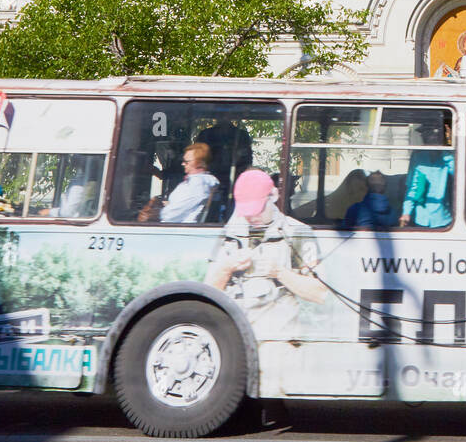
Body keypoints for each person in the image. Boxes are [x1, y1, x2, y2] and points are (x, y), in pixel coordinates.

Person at [206, 169, 326, 338]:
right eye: (247, 211)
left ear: (274, 196)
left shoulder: (297, 232)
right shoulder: (230, 234)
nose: (252, 216)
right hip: (236, 342)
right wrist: (225, 268)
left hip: (279, 342)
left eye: (257, 209)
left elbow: (320, 293)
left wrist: (280, 273)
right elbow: (207, 292)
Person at [138, 142, 218, 223]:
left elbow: (174, 214)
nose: (183, 164)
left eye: (187, 162)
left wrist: (155, 214)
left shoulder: (198, 184)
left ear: (200, 164)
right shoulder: (195, 182)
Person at [399, 151, 454, 229]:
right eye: (429, 137)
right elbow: (412, 186)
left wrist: (445, 151)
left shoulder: (447, 157)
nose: (433, 138)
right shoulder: (417, 156)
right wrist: (406, 212)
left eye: (437, 138)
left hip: (442, 217)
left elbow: (459, 175)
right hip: (421, 217)